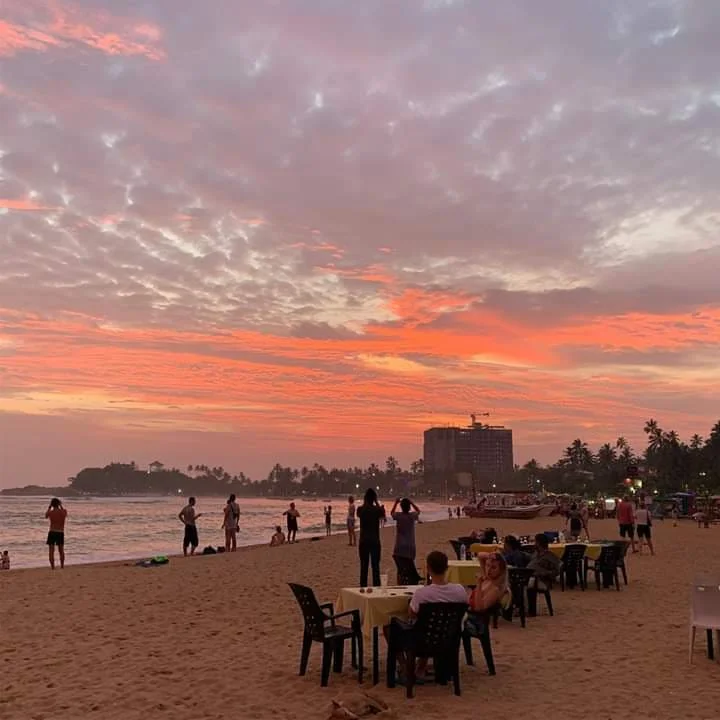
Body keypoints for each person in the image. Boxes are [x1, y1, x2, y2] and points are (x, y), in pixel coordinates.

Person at [387, 551, 468, 679]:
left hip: (423, 641)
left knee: (391, 627)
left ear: (428, 568)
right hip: (449, 638)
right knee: (428, 626)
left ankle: (405, 666)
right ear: (447, 568)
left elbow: (411, 614)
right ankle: (420, 667)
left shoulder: (422, 594)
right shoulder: (460, 590)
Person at [357, 488, 385, 587]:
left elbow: (359, 515)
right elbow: (383, 516)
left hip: (363, 540)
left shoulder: (360, 509)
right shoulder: (377, 510)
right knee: (375, 567)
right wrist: (376, 502)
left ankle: (363, 587)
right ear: (374, 498)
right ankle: (376, 587)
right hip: (375, 540)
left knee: (363, 567)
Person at [527, 533, 561, 616]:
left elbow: (557, 571)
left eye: (535, 542)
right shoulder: (535, 554)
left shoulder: (550, 556)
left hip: (542, 580)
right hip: (530, 576)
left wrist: (543, 573)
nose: (534, 544)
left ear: (538, 543)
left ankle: (531, 611)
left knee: (529, 583)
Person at [390, 497, 420, 566]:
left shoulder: (398, 515)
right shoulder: (412, 516)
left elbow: (392, 513)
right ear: (409, 507)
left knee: (400, 569)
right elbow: (418, 511)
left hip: (399, 546)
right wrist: (411, 502)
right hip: (410, 546)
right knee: (410, 567)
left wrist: (396, 503)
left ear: (401, 507)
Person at [45, 498, 68, 569]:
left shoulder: (51, 512)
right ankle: (62, 566)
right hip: (60, 532)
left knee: (51, 551)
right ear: (59, 504)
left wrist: (49, 507)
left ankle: (52, 567)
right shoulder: (63, 512)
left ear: (52, 504)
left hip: (52, 532)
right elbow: (65, 515)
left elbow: (46, 516)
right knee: (61, 550)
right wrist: (61, 506)